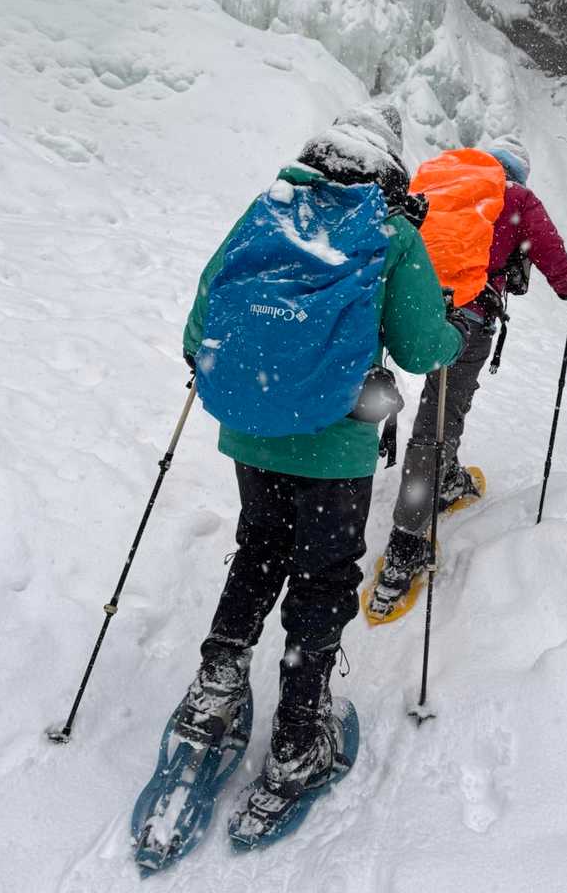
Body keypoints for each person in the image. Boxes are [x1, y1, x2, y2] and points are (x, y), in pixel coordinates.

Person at [175, 104, 463, 804]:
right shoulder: (390, 233)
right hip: (334, 446)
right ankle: (299, 736)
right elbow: (422, 349)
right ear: (389, 166)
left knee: (260, 549)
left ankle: (215, 689)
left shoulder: (269, 208)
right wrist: (450, 329)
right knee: (324, 576)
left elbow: (204, 314)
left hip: (253, 428)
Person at [371, 134, 567, 611]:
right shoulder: (516, 197)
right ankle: (405, 548)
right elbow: (548, 248)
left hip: (412, 307)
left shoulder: (441, 184)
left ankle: (442, 477)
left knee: (434, 410)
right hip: (467, 316)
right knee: (440, 414)